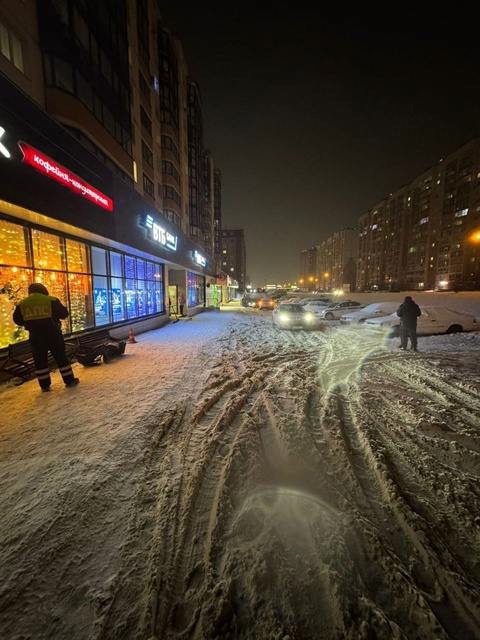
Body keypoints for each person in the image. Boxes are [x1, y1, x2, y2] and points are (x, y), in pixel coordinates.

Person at [13, 283, 79, 392]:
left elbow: (17, 320)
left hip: (35, 336)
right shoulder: (51, 300)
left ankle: (44, 386)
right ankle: (69, 381)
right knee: (61, 358)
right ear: (43, 290)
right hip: (53, 334)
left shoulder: (22, 303)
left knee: (40, 361)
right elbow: (64, 314)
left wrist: (29, 322)